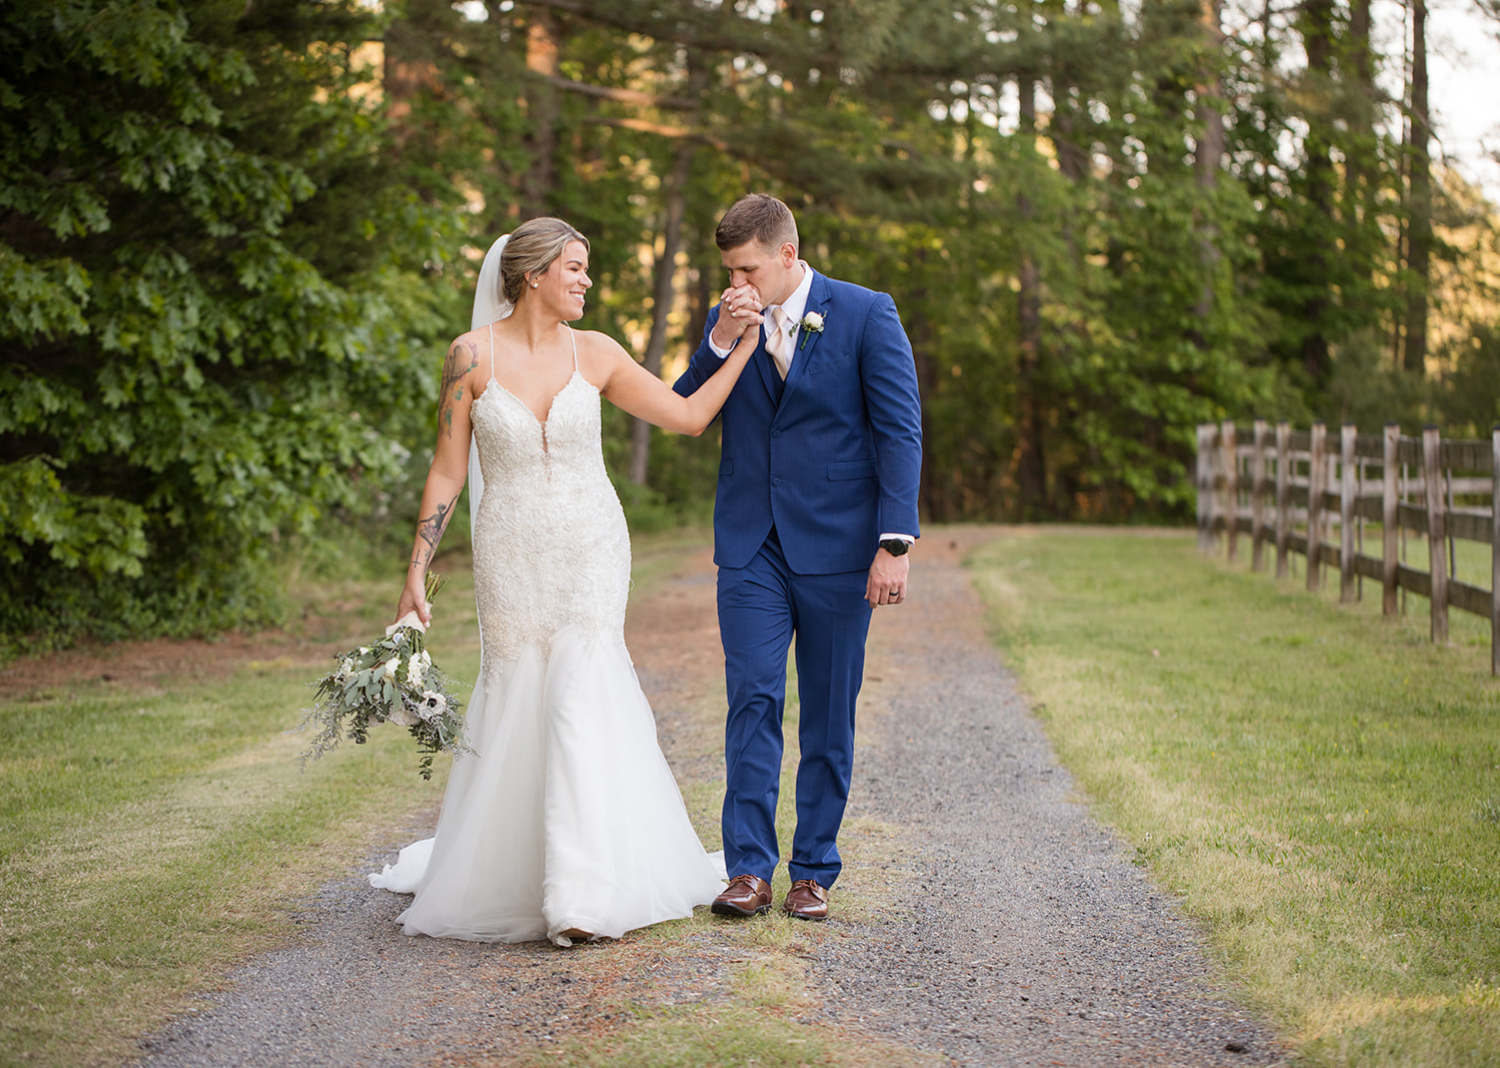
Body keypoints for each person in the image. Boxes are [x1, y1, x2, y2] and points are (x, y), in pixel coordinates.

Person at [369, 217, 762, 947]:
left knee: (581, 689)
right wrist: (415, 573)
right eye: (575, 267)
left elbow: (686, 417)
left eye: (587, 268)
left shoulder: (600, 353)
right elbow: (449, 469)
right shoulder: (469, 357)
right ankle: (520, 868)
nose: (586, 280)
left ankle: (580, 893)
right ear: (533, 275)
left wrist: (742, 348)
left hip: (592, 544)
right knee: (520, 690)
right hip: (511, 548)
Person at [673, 194, 922, 923]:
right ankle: (748, 867)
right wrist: (721, 335)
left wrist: (893, 542)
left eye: (747, 268)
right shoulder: (732, 318)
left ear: (787, 255)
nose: (737, 282)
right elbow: (687, 404)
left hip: (841, 548)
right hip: (751, 544)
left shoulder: (866, 312)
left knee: (827, 711)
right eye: (728, 271)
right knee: (752, 697)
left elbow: (899, 431)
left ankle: (814, 870)